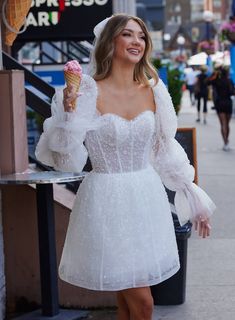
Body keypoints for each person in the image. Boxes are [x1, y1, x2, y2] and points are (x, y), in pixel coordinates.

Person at [35, 14, 216, 320]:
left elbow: (165, 149)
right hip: (105, 201)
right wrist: (68, 114)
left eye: (141, 36)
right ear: (110, 41)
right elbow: (66, 160)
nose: (136, 42)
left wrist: (193, 196)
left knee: (128, 305)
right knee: (143, 304)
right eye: (128, 35)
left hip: (146, 200)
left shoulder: (154, 89)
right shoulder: (85, 92)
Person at [207, 67, 234, 151]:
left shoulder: (216, 81)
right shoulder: (229, 81)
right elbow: (232, 92)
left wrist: (214, 74)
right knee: (227, 124)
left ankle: (225, 142)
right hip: (228, 103)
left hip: (220, 103)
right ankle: (227, 141)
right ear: (227, 73)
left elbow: (207, 82)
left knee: (223, 124)